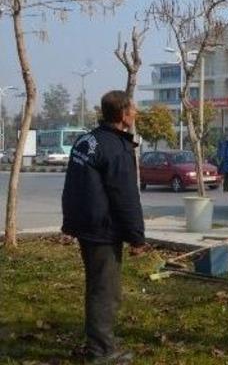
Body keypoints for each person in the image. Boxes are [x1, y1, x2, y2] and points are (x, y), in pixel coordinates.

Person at [61, 90, 146, 363]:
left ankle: (100, 339)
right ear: (123, 115)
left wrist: (70, 225)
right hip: (102, 231)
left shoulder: (85, 141)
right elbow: (126, 197)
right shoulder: (116, 148)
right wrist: (137, 237)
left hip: (86, 226)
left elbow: (72, 188)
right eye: (133, 109)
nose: (136, 113)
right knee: (105, 291)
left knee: (96, 286)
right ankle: (101, 351)